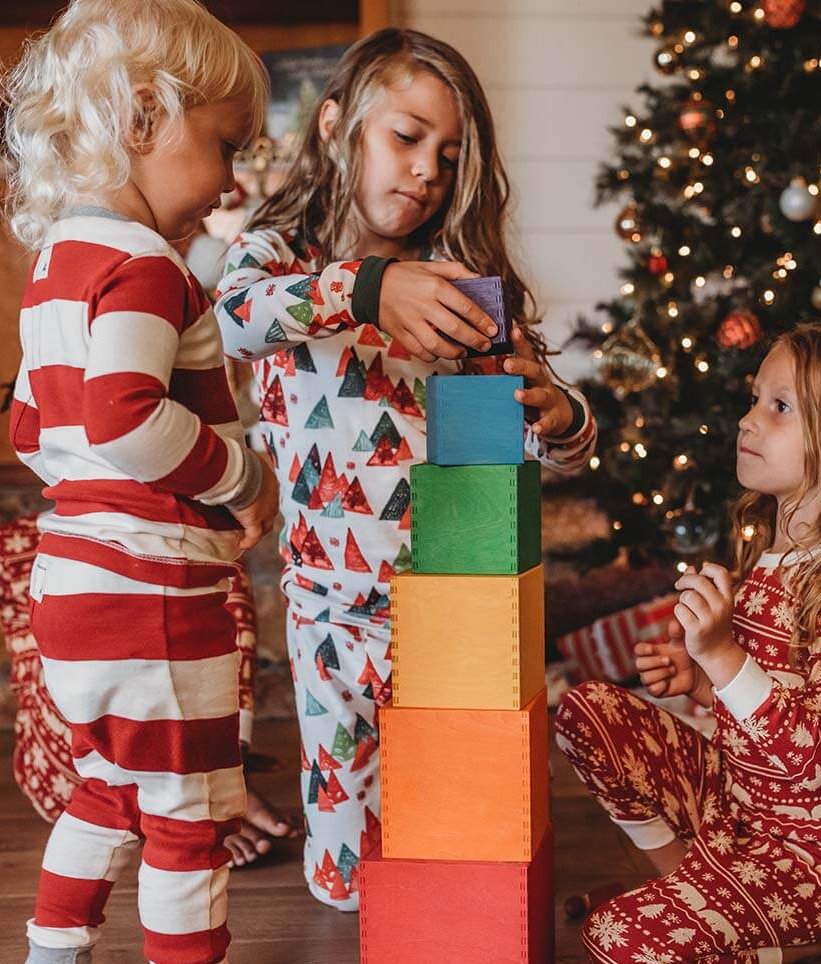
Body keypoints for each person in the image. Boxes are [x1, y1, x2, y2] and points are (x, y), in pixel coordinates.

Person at [0, 1, 319, 964]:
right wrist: (241, 477)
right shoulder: (143, 264)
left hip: (76, 584)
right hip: (147, 594)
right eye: (225, 144)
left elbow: (33, 428)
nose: (234, 179)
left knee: (108, 784)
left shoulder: (59, 263)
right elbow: (124, 417)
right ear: (143, 116)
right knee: (189, 811)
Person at [214, 27, 597, 911]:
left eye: (449, 154)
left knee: (468, 839)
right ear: (336, 126)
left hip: (452, 611)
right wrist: (367, 287)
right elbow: (234, 318)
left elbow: (557, 444)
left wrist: (560, 412)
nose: (428, 169)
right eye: (407, 136)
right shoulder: (280, 260)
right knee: (344, 886)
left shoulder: (462, 285)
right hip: (323, 610)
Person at [555, 325, 821, 964]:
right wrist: (702, 681)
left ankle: (803, 939)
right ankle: (693, 881)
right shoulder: (769, 556)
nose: (748, 418)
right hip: (738, 813)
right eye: (755, 398)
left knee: (619, 947)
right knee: (587, 709)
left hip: (817, 863)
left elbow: (812, 757)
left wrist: (724, 655)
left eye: (780, 406)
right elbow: (763, 704)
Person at [0, 513, 299, 868]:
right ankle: (176, 814)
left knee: (196, 625)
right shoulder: (8, 548)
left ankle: (192, 796)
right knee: (71, 669)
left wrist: (233, 752)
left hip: (164, 727)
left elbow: (236, 639)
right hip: (60, 763)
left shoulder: (183, 534)